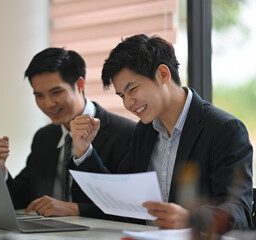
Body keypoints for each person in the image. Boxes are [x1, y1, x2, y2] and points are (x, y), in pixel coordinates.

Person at [70, 34, 253, 231]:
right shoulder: (145, 131)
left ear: (163, 74)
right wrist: (84, 150)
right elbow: (118, 197)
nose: (128, 103)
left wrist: (191, 219)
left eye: (133, 90)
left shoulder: (224, 129)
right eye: (122, 95)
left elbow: (239, 213)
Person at [0, 47, 136, 218]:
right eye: (39, 96)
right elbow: (23, 197)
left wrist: (73, 209)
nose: (48, 104)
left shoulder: (127, 133)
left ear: (80, 85)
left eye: (56, 92)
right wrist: (0, 169)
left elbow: (128, 205)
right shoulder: (44, 137)